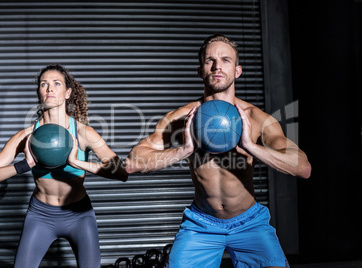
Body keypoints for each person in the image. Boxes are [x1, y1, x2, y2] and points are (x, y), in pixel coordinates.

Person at [125, 34, 311, 268]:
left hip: (250, 222)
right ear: (200, 71)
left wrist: (251, 146)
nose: (217, 66)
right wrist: (184, 150)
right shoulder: (181, 118)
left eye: (225, 60)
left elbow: (303, 168)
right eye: (209, 61)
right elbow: (132, 163)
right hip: (201, 224)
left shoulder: (256, 118)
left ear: (237, 70)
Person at [0, 64, 128, 268]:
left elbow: (121, 172)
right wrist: (25, 165)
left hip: (79, 215)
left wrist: (77, 162)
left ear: (67, 93)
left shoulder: (83, 133)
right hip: (40, 215)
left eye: (56, 84)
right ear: (39, 93)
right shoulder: (26, 137)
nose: (49, 89)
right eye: (44, 84)